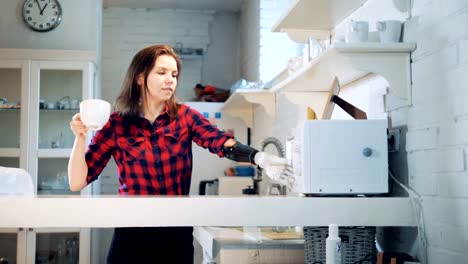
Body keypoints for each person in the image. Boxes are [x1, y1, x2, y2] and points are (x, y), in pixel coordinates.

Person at [67, 44, 287, 264]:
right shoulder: (116, 124)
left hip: (176, 234)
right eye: (161, 73)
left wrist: (258, 157)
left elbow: (219, 140)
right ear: (140, 78)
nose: (170, 79)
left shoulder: (185, 117)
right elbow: (77, 182)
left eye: (174, 74)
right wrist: (80, 138)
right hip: (131, 234)